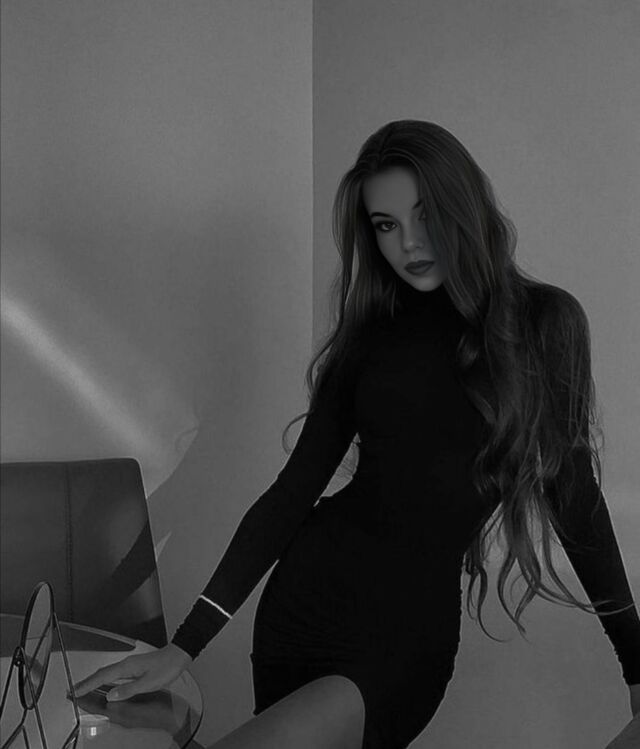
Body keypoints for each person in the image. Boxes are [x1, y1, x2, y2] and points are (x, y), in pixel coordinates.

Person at [72, 120, 640, 748]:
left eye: (425, 214)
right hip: (304, 608)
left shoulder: (545, 323)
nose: (409, 242)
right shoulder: (370, 335)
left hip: (404, 641)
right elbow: (291, 495)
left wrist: (635, 661)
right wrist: (184, 647)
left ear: (464, 205)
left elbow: (576, 499)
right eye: (386, 224)